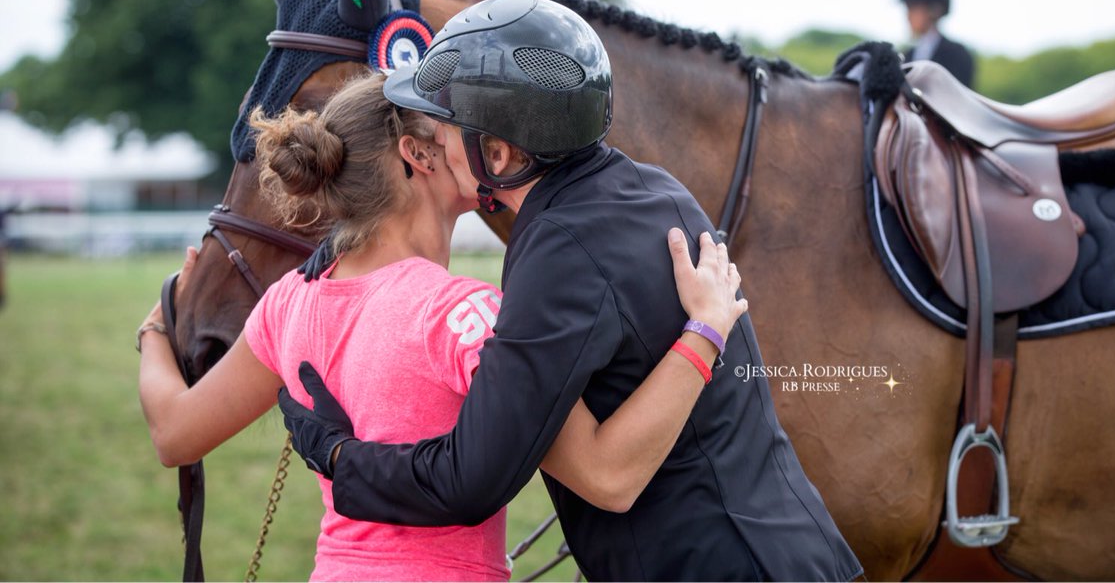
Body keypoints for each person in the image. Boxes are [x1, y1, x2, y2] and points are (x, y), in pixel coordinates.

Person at [280, 0, 864, 581]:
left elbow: (470, 478)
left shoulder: (559, 252)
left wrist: (336, 455)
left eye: (447, 124)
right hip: (802, 551)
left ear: (499, 155)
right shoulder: (651, 189)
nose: (433, 136)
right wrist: (359, 231)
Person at [137, 72, 749, 581]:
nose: (476, 140)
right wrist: (706, 329)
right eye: (452, 127)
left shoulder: (286, 304)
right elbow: (606, 473)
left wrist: (157, 327)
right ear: (418, 155)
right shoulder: (467, 317)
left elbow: (173, 433)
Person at [899, 0, 975, 88]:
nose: (908, 16)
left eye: (912, 8)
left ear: (933, 10)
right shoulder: (906, 56)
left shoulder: (957, 55)